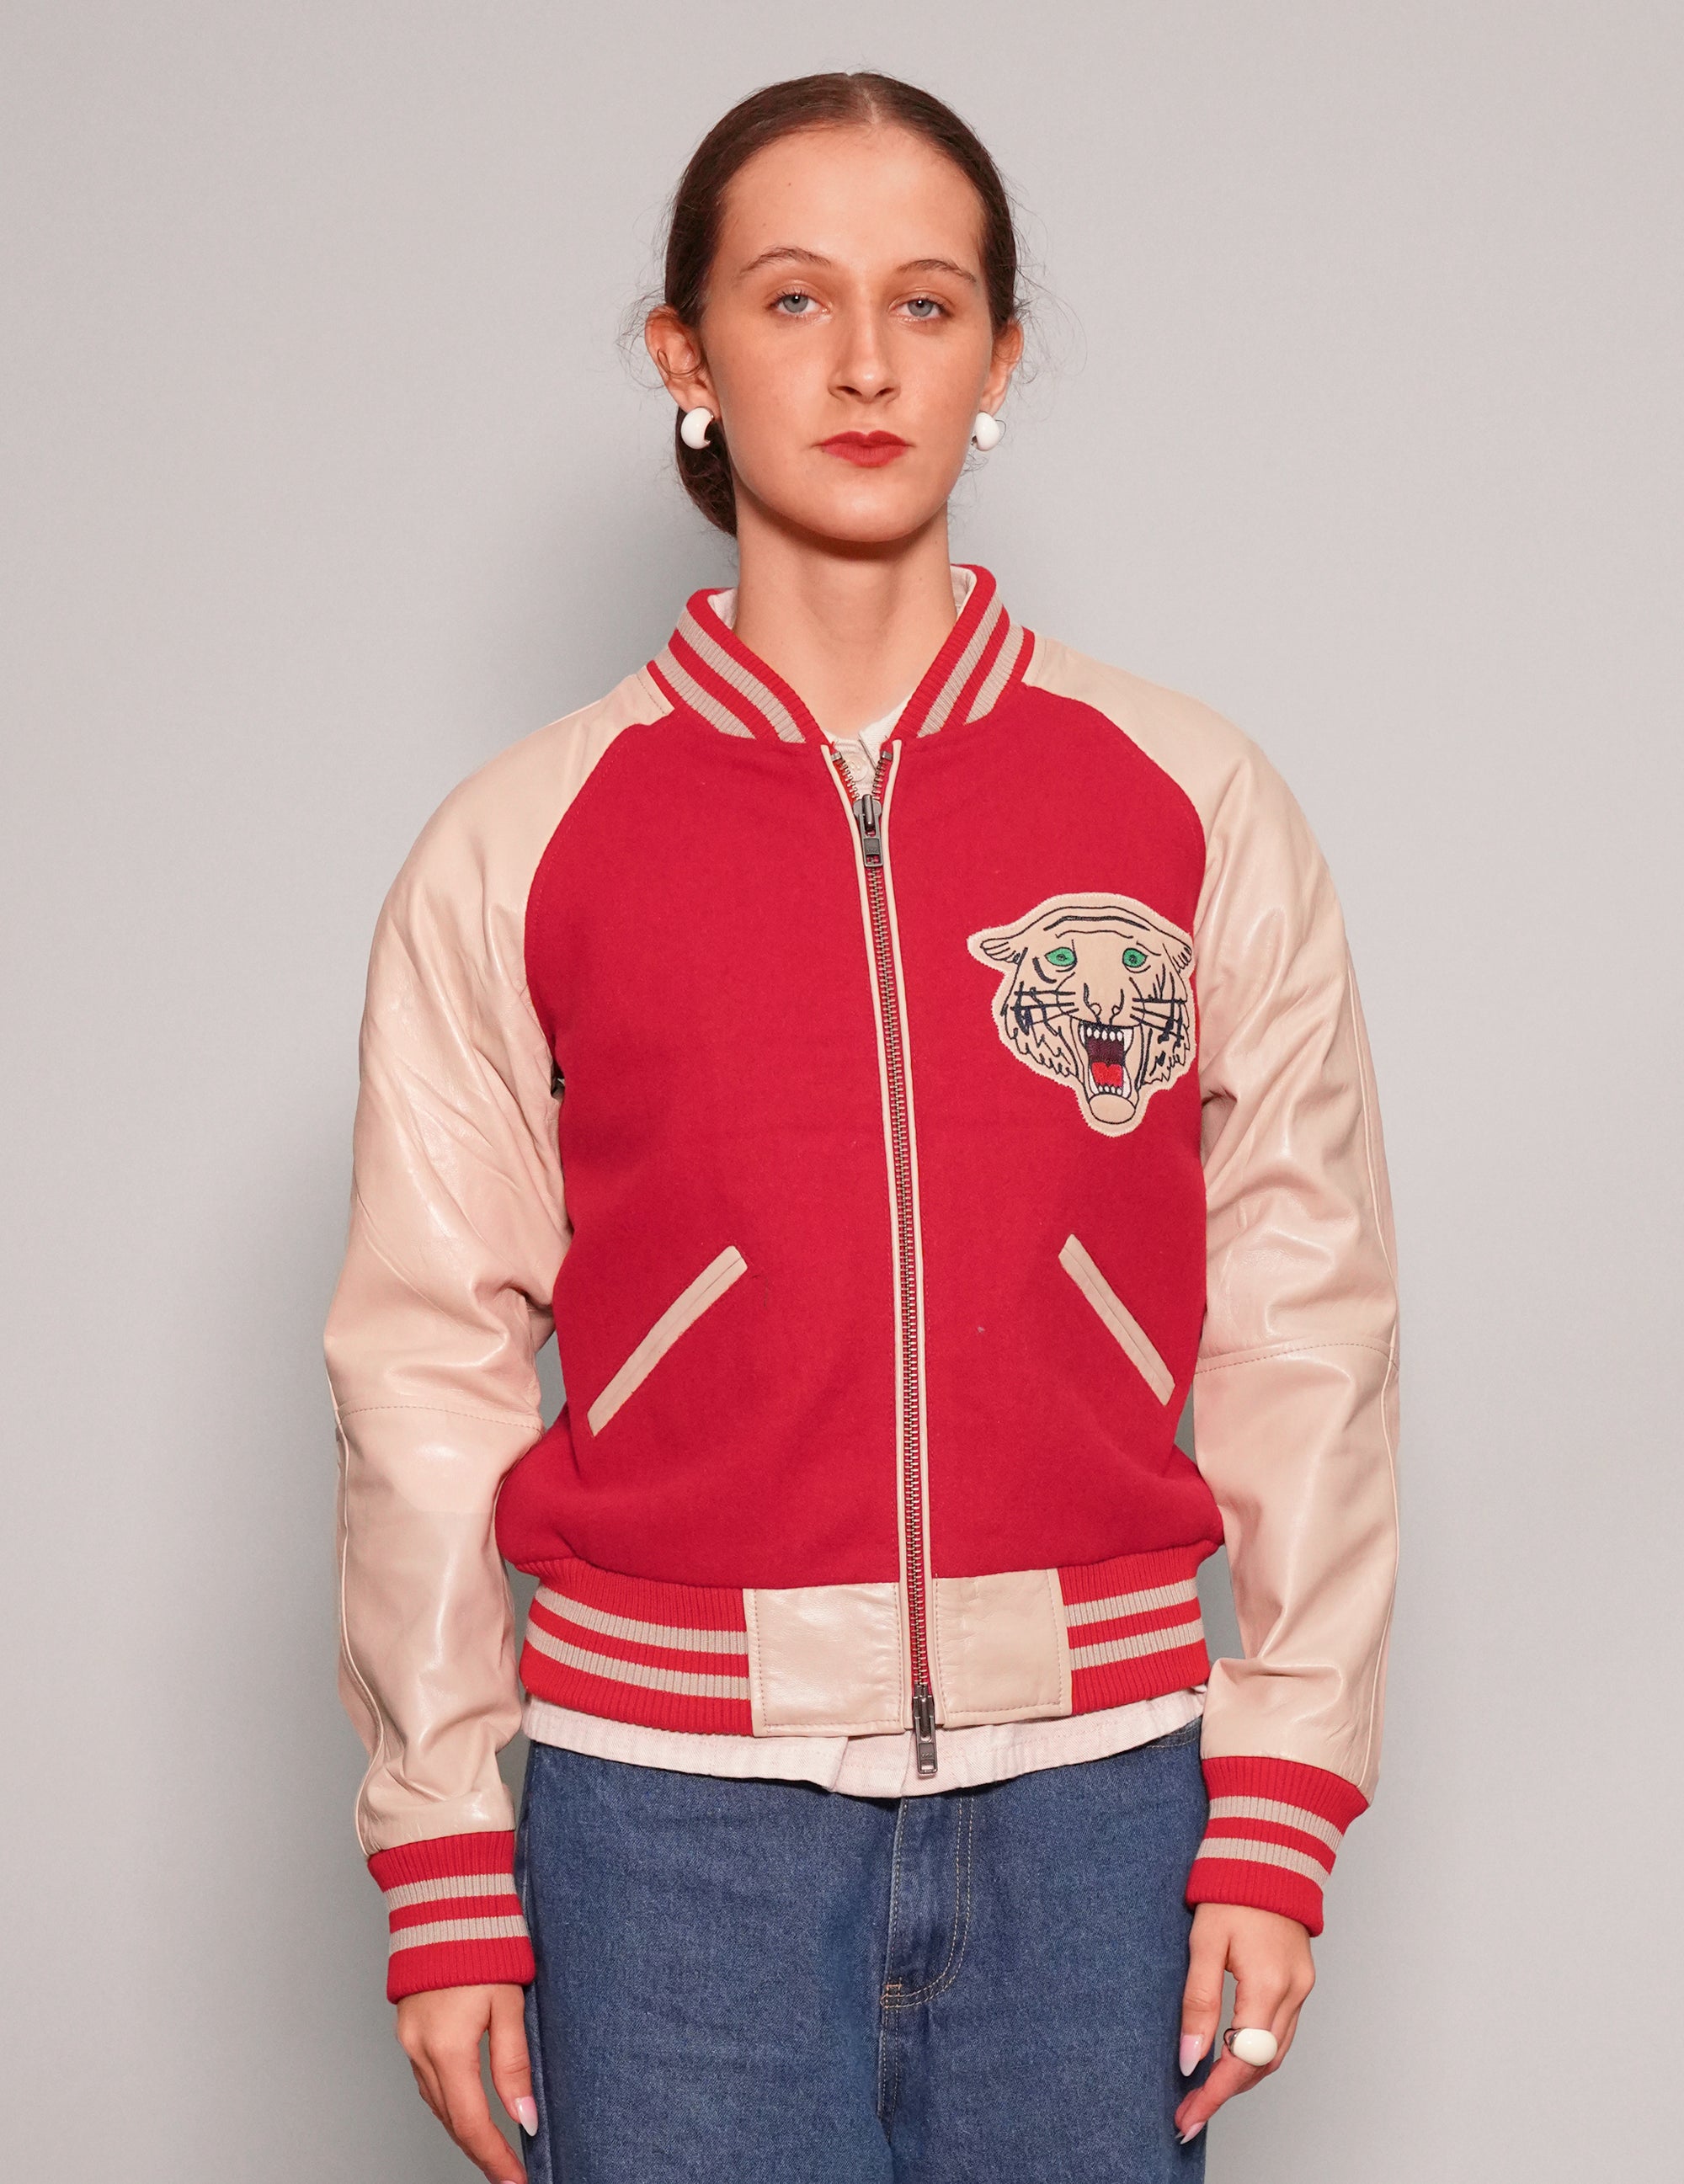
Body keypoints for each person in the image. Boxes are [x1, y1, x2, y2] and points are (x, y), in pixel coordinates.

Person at [323, 69, 1400, 2184]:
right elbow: (420, 1369)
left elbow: (1310, 1312)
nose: (863, 364)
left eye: (926, 303)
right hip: (663, 1825)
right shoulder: (521, 841)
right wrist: (444, 1846)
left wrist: (1281, 1788)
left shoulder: (1184, 799)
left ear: (999, 359)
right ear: (686, 353)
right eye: (792, 298)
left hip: (1106, 1803)